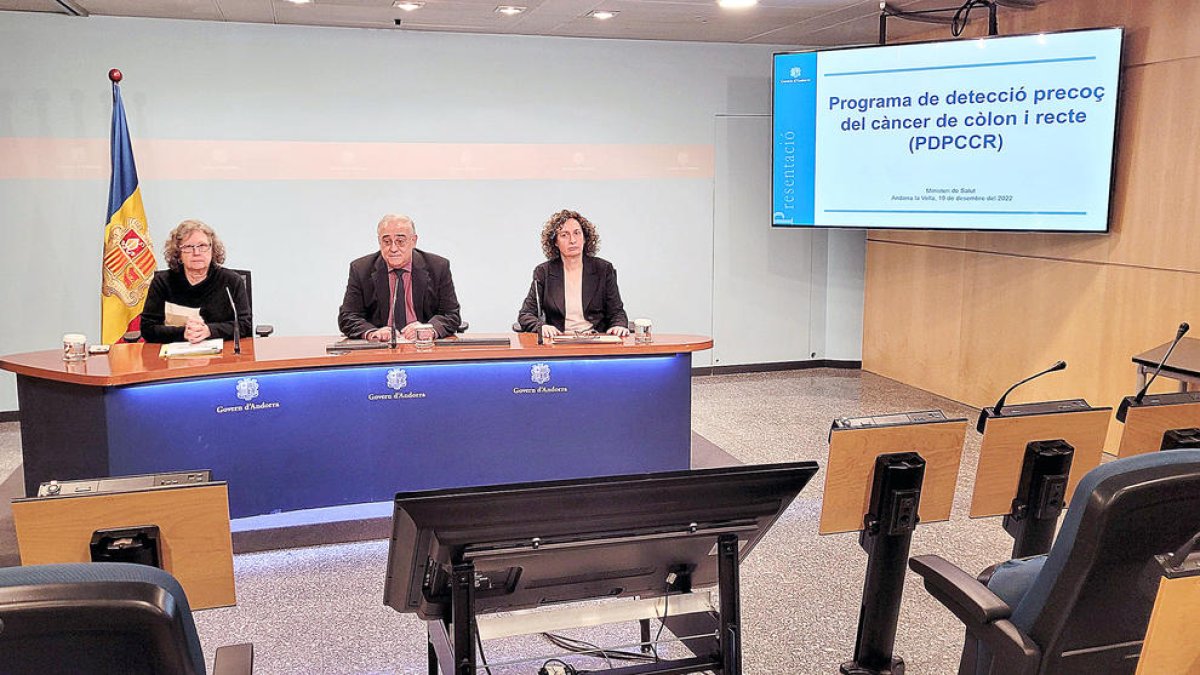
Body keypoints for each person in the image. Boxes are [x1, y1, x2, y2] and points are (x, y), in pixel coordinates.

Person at [338, 214, 461, 340]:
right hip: (382, 349)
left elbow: (451, 314)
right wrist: (373, 333)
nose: (393, 248)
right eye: (386, 242)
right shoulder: (361, 269)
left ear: (413, 241)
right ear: (379, 242)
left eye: (400, 241)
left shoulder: (438, 267)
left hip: (423, 347)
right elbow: (348, 317)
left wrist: (430, 329)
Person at [517, 209, 629, 340]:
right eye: (564, 235)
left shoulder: (603, 269)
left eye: (577, 233)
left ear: (585, 238)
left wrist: (619, 325)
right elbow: (525, 314)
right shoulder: (544, 272)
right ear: (555, 242)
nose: (572, 240)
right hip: (559, 341)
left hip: (596, 340)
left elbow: (617, 312)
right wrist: (541, 326)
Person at [140, 219, 252, 344]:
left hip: (222, 356)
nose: (196, 252)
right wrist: (184, 332)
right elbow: (147, 328)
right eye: (188, 247)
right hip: (173, 358)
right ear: (178, 254)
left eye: (202, 246)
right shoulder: (162, 282)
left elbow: (245, 325)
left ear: (212, 250)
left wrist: (209, 331)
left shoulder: (231, 281)